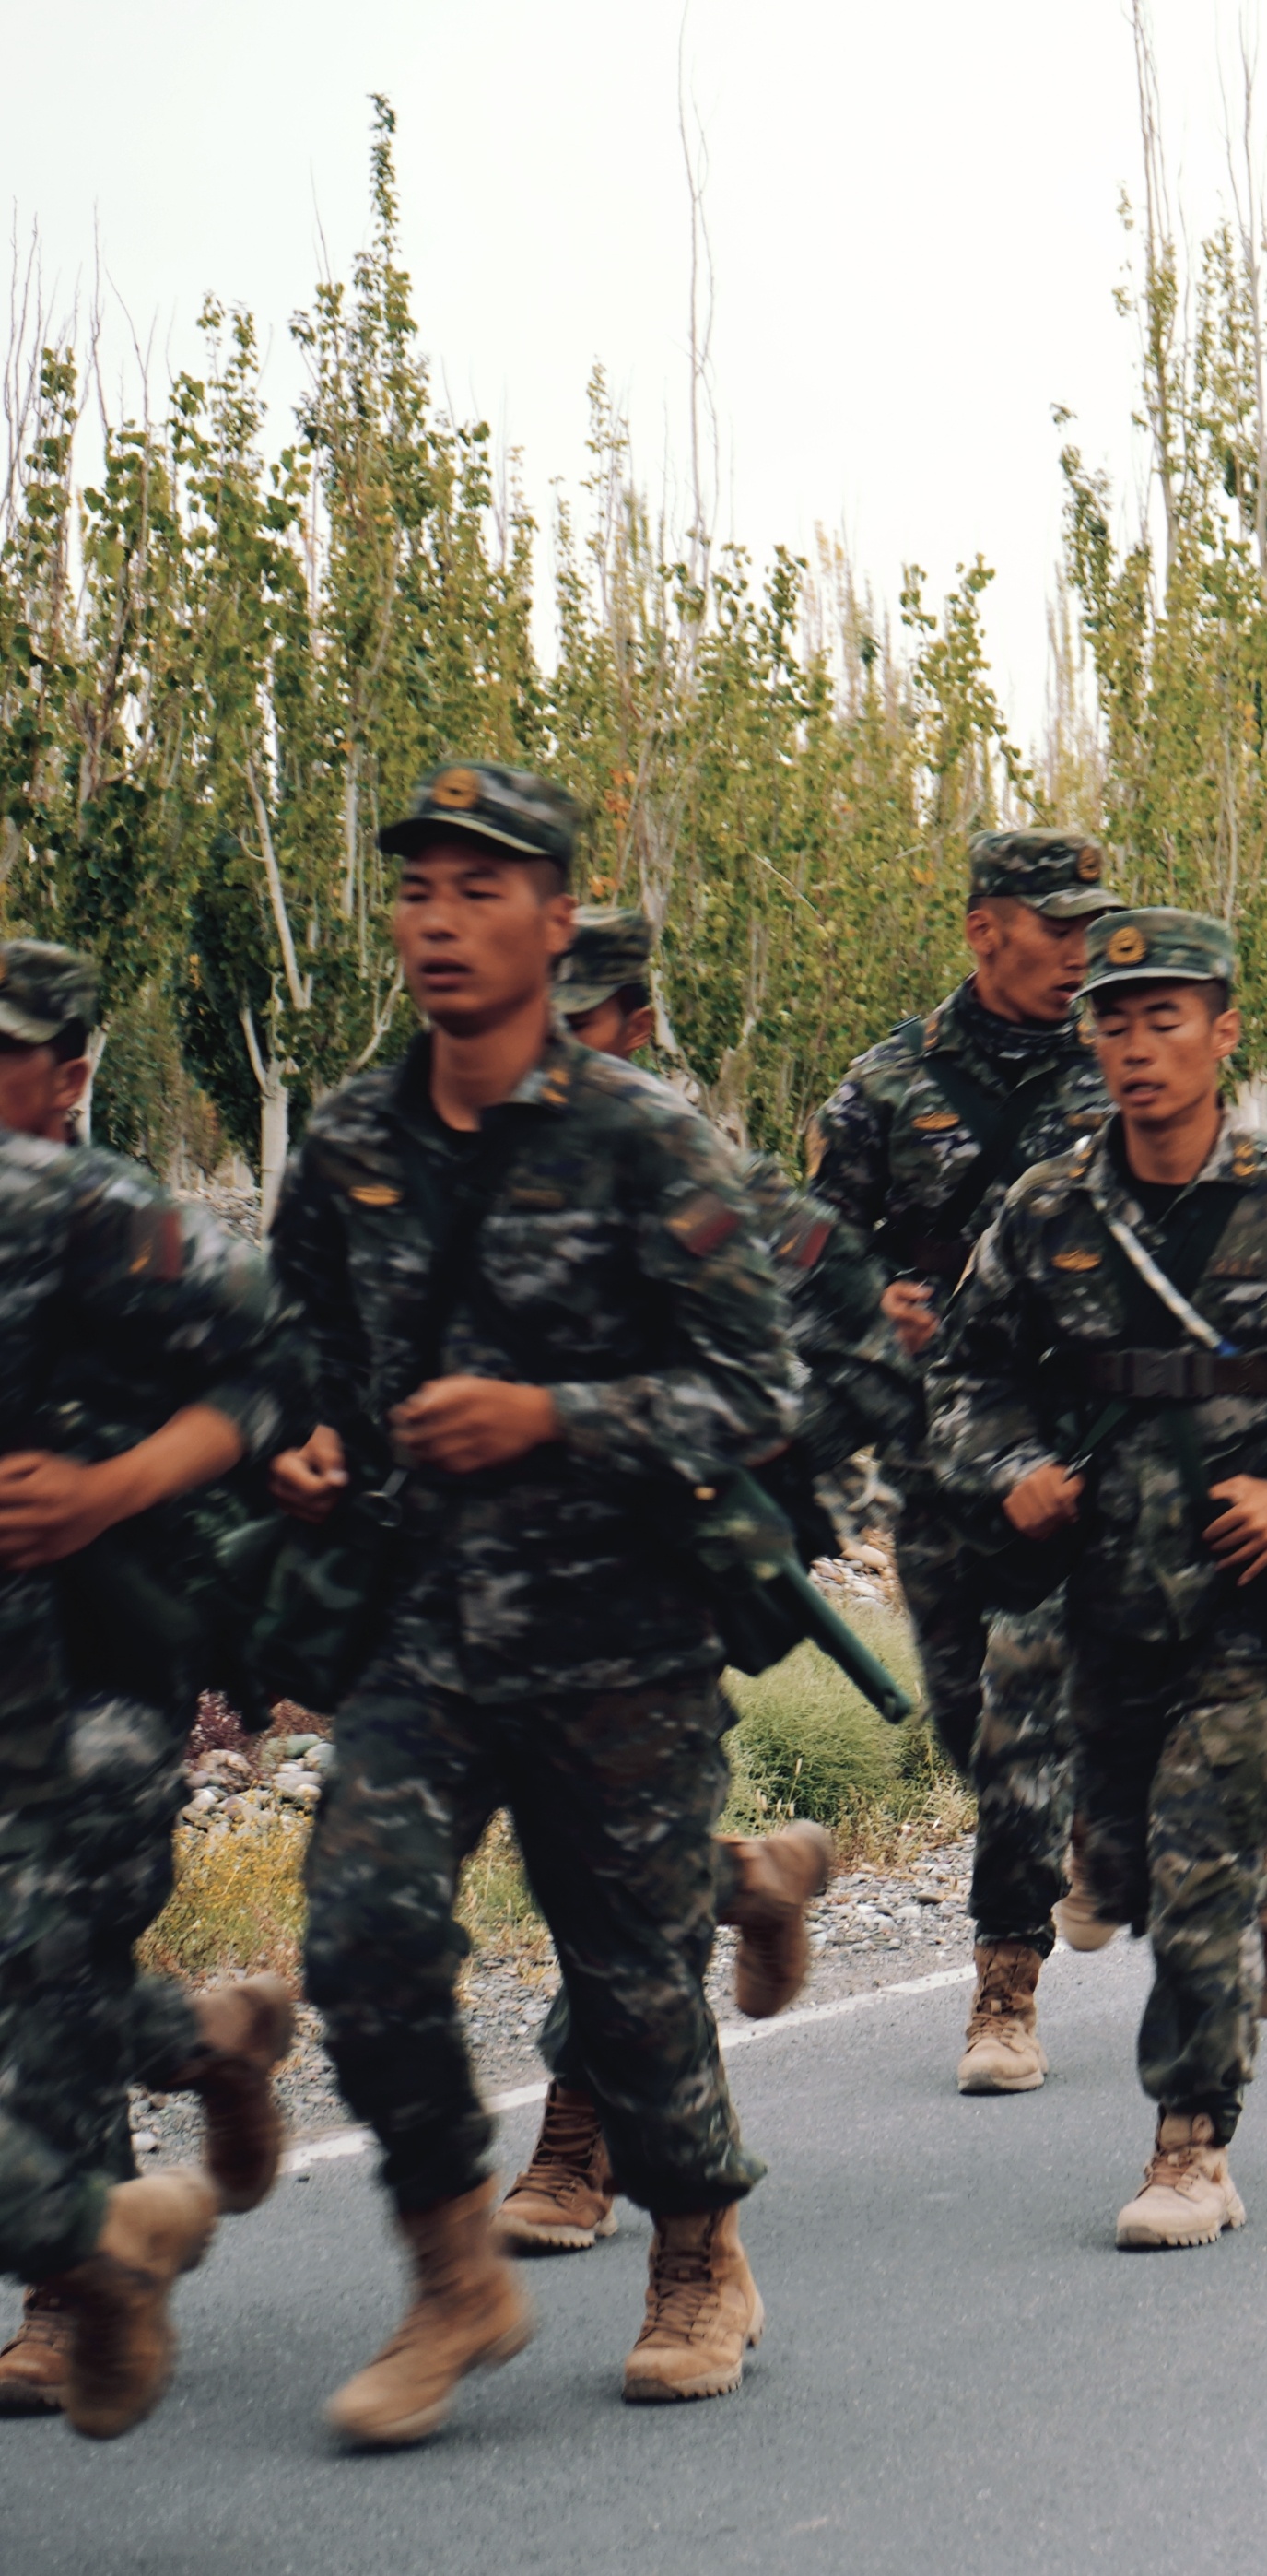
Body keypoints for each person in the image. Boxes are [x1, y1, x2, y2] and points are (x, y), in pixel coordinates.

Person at [264, 763, 798, 2439]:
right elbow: (296, 1352)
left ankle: (699, 2252)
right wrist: (300, 1444)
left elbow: (755, 1389)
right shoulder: (349, 1140)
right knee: (360, 1937)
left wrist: (552, 1416)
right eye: (417, 888)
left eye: (480, 889)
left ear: (556, 924)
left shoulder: (646, 1140)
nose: (439, 920)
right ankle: (453, 2278)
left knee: (632, 1984)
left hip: (619, 1637)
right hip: (422, 1630)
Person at [932, 908, 1267, 2242]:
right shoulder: (1047, 1207)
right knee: (1115, 1873)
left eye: (1166, 1018)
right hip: (1095, 1594)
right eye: (1114, 1021)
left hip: (1242, 1600)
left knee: (1196, 1868)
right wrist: (1013, 1467)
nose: (1137, 1045)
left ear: (1223, 1033)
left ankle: (1191, 2146)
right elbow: (967, 1375)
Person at [496, 911, 874, 2253]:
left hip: (658, 1587)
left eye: (576, 1021)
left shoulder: (712, 1182)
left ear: (637, 1025)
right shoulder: (455, 1175)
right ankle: (748, 1877)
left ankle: (582, 2143)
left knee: (612, 1865)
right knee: (577, 1854)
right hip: (493, 1584)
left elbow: (860, 1344)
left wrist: (757, 1474)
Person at [0, 940, 298, 2440]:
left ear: (69, 1076)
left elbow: (276, 1363)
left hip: (100, 1665)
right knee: (42, 1958)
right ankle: (206, 2038)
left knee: (38, 1938)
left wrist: (108, 1489)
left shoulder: (102, 1213)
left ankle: (75, 2278)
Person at [806, 832, 1122, 2097]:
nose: (1083, 952)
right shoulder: (886, 1083)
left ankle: (1004, 1986)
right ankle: (1090, 1821)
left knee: (1024, 1694)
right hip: (936, 1442)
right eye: (1059, 927)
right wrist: (868, 1300)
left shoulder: (1118, 1069)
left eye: (1094, 926)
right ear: (987, 928)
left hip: (1072, 1439)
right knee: (965, 1713)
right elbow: (812, 1246)